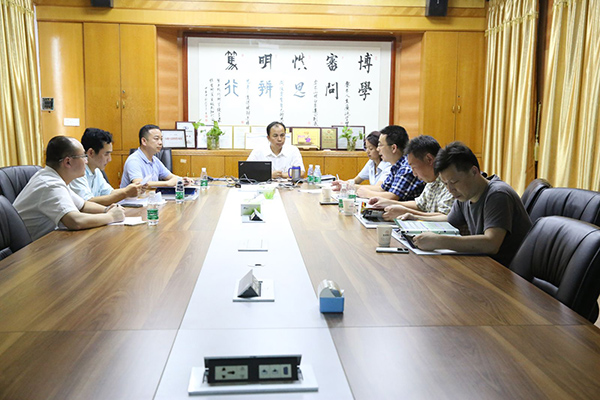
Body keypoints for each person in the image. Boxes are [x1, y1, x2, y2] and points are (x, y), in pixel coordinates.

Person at [413, 142, 532, 267]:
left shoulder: (498, 194)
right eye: (445, 184)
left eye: (454, 181)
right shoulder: (465, 195)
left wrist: (439, 241)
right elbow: (449, 220)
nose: (450, 189)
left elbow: (491, 244)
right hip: (486, 264)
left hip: (509, 271)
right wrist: (416, 218)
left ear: (474, 171)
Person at [14, 136, 125, 241]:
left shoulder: (54, 178)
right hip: (29, 250)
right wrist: (111, 216)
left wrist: (107, 209)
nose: (86, 161)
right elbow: (75, 221)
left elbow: (83, 205)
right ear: (68, 162)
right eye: (83, 156)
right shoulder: (50, 185)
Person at [368, 135, 453, 221]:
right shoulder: (431, 180)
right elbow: (419, 205)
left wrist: (408, 213)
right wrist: (389, 203)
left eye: (414, 167)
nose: (414, 174)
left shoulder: (450, 180)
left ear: (429, 159)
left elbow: (447, 217)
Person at [69, 128, 141, 206]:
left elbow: (110, 193)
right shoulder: (76, 172)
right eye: (106, 154)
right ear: (91, 153)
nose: (109, 159)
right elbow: (87, 202)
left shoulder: (96, 170)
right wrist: (125, 193)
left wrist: (132, 189)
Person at [355, 125, 424, 201]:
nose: (378, 149)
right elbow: (382, 188)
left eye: (380, 145)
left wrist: (367, 193)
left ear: (393, 148)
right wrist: (355, 187)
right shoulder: (395, 166)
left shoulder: (406, 166)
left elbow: (393, 196)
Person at [121, 124, 192, 188]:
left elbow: (170, 176)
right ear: (144, 141)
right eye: (156, 139)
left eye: (161, 139)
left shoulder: (154, 160)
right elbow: (139, 184)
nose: (160, 143)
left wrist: (182, 180)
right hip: (134, 199)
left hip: (150, 197)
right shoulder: (134, 160)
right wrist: (167, 183)